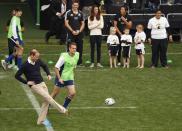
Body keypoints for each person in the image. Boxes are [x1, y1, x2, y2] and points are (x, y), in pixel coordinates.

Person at [15, 49, 67, 125]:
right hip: (34, 85)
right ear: (32, 55)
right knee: (48, 98)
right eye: (36, 57)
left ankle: (40, 121)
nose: (37, 58)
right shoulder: (25, 65)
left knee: (46, 101)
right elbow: (17, 76)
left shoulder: (38, 60)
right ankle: (62, 110)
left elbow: (45, 66)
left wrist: (48, 74)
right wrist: (26, 82)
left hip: (42, 83)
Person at [50, 42, 79, 109]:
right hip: (61, 78)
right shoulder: (63, 57)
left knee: (72, 93)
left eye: (75, 48)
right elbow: (56, 68)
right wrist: (59, 78)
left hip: (69, 77)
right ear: (69, 48)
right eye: (73, 48)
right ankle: (47, 106)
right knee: (54, 94)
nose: (74, 50)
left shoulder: (77, 55)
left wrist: (72, 74)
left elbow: (73, 66)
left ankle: (64, 107)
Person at [65, 0, 85, 65]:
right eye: (74, 5)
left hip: (79, 34)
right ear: (72, 5)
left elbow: (83, 24)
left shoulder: (81, 13)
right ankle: (69, 61)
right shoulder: (68, 13)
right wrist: (72, 31)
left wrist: (79, 31)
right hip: (71, 33)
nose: (75, 6)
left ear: (78, 6)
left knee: (79, 47)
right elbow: (66, 23)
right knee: (70, 47)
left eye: (76, 5)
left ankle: (79, 62)